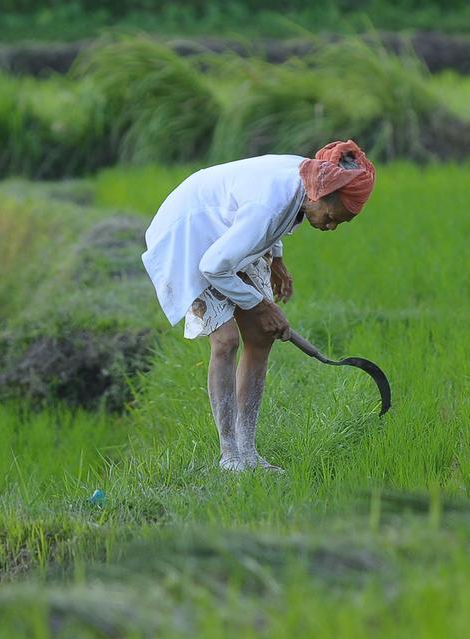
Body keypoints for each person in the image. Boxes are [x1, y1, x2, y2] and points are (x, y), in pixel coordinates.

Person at [142, 140, 377, 472]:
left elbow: (266, 215)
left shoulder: (307, 178)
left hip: (228, 228)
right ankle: (230, 456)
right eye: (334, 216)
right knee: (225, 340)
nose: (332, 226)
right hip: (190, 233)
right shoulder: (274, 203)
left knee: (260, 336)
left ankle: (248, 453)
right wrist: (262, 306)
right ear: (320, 195)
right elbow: (213, 265)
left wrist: (276, 259)